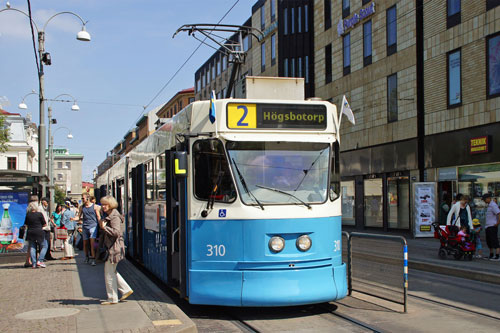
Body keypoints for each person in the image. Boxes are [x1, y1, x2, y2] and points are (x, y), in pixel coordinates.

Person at [98, 195, 133, 305]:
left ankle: (112, 298)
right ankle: (126, 290)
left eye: (105, 204)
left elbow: (116, 232)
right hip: (113, 247)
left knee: (109, 273)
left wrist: (104, 228)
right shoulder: (109, 215)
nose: (103, 206)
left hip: (114, 248)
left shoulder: (114, 217)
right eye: (102, 204)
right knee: (112, 271)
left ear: (111, 205)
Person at [72, 193, 100, 266]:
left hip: (93, 226)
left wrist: (100, 224)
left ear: (88, 198)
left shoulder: (94, 207)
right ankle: (86, 256)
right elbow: (79, 216)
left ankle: (93, 258)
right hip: (85, 226)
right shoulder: (82, 207)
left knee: (92, 242)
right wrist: (74, 219)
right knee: (85, 243)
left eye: (83, 198)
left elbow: (98, 216)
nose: (82, 200)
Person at [24, 202, 48, 268]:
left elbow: (26, 224)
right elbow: (44, 224)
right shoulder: (39, 214)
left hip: (30, 232)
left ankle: (34, 263)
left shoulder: (28, 215)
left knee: (32, 247)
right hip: (39, 232)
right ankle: (40, 260)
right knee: (44, 246)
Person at [482, 193, 500, 261]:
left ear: (488, 198)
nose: (484, 201)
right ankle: (491, 254)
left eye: (484, 199)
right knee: (489, 241)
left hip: (492, 225)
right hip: (488, 226)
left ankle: (497, 255)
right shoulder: (489, 205)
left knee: (494, 240)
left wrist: (498, 223)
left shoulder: (493, 205)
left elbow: (498, 213)